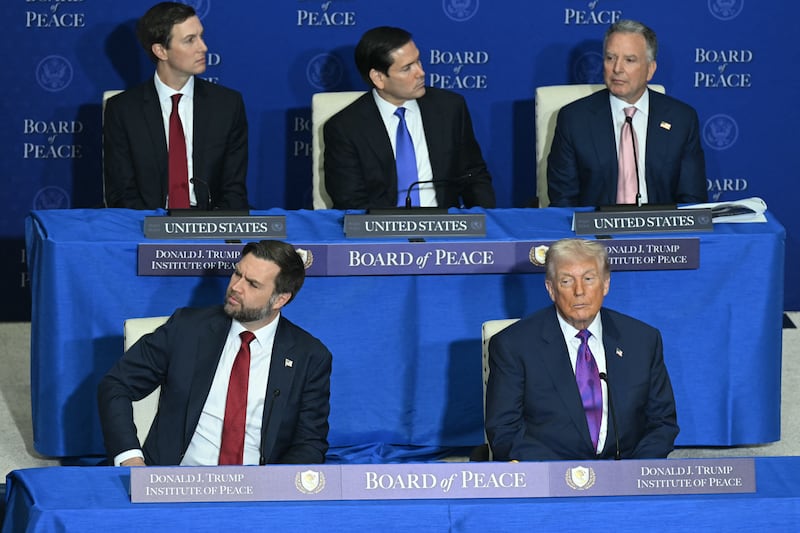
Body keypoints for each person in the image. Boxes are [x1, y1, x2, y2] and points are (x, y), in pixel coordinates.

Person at [98, 240, 332, 466]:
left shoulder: (309, 356)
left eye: (253, 284)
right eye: (237, 274)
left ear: (280, 299)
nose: (236, 287)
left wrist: (276, 488)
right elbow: (117, 384)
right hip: (173, 483)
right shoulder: (187, 328)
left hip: (257, 492)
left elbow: (309, 443)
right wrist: (130, 459)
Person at [485, 238, 678, 461]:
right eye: (566, 281)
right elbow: (504, 431)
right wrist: (564, 478)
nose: (579, 291)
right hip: (550, 481)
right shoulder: (514, 345)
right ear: (551, 289)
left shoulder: (642, 340)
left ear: (605, 284)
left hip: (626, 478)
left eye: (588, 279)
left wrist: (634, 473)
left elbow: (662, 422)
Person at [323, 26, 496, 210]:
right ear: (378, 78)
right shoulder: (345, 127)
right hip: (379, 232)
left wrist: (483, 221)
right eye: (407, 68)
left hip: (445, 228)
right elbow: (350, 200)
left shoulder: (450, 108)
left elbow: (474, 175)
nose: (420, 72)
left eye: (418, 61)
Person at [546, 19, 707, 207]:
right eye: (610, 58)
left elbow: (693, 201)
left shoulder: (681, 119)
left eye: (629, 60)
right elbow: (563, 200)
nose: (617, 69)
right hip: (593, 233)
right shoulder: (574, 119)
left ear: (650, 70)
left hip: (662, 232)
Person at [103, 2, 248, 210]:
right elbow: (121, 193)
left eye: (201, 36)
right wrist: (155, 230)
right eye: (190, 40)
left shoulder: (227, 105)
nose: (203, 47)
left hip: (211, 225)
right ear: (161, 51)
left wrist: (212, 229)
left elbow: (234, 190)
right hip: (145, 226)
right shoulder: (122, 110)